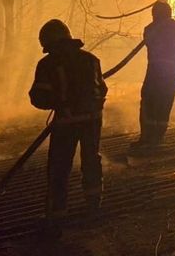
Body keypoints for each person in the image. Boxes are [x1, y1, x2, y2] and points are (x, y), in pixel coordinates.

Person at [29, 19, 108, 225]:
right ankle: (94, 207)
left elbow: (38, 97)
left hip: (66, 123)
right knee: (91, 161)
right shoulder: (91, 59)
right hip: (92, 121)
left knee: (59, 168)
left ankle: (56, 215)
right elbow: (102, 89)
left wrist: (59, 103)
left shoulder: (48, 64)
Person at [133, 1, 175, 148]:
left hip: (153, 74)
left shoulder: (149, 29)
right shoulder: (174, 27)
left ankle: (146, 137)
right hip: (170, 76)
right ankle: (156, 139)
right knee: (164, 105)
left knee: (148, 104)